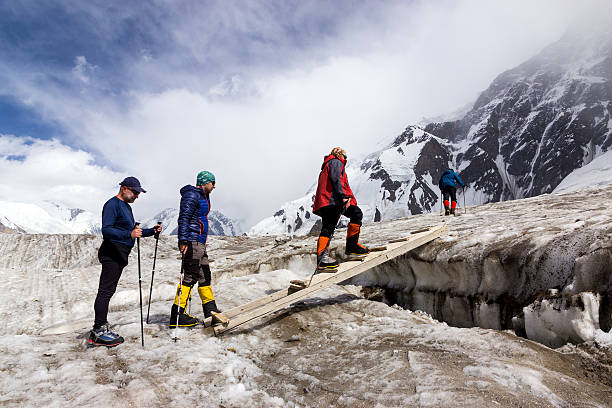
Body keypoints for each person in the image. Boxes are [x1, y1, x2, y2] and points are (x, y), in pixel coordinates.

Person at [89, 177, 162, 347]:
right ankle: (98, 331)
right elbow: (107, 231)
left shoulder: (126, 207)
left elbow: (132, 231)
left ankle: (101, 327)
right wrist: (129, 235)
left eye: (138, 192)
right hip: (112, 253)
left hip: (119, 254)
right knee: (105, 291)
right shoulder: (112, 204)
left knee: (108, 290)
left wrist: (151, 231)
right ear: (124, 188)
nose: (137, 195)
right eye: (135, 191)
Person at [169, 170, 222, 328]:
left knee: (204, 274)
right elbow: (184, 217)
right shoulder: (192, 195)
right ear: (205, 182)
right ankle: (178, 315)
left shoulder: (202, 196)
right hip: (192, 241)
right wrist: (183, 240)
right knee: (190, 277)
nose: (214, 186)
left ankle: (210, 309)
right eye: (212, 183)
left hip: (199, 242)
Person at [312, 147, 370, 271]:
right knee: (356, 214)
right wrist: (343, 196)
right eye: (345, 156)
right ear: (340, 155)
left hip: (329, 201)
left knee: (328, 227)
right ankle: (351, 247)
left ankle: (324, 259)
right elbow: (337, 179)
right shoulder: (335, 162)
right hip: (333, 200)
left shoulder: (328, 164)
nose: (345, 159)